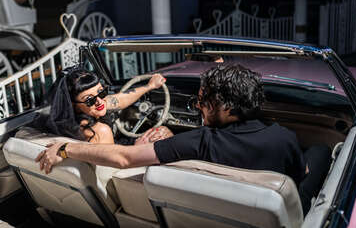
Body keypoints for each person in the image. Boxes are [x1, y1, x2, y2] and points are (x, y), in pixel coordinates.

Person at [36, 64, 307, 186]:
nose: (197, 106)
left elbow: (122, 157)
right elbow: (301, 173)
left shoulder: (199, 141)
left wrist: (65, 148)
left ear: (225, 107)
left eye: (201, 101)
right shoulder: (285, 139)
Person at [36, 66, 166, 144]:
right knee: (164, 132)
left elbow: (118, 100)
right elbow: (115, 166)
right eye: (89, 100)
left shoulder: (66, 121)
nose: (99, 101)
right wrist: (139, 146)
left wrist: (150, 86)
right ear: (74, 105)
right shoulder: (100, 132)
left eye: (101, 92)